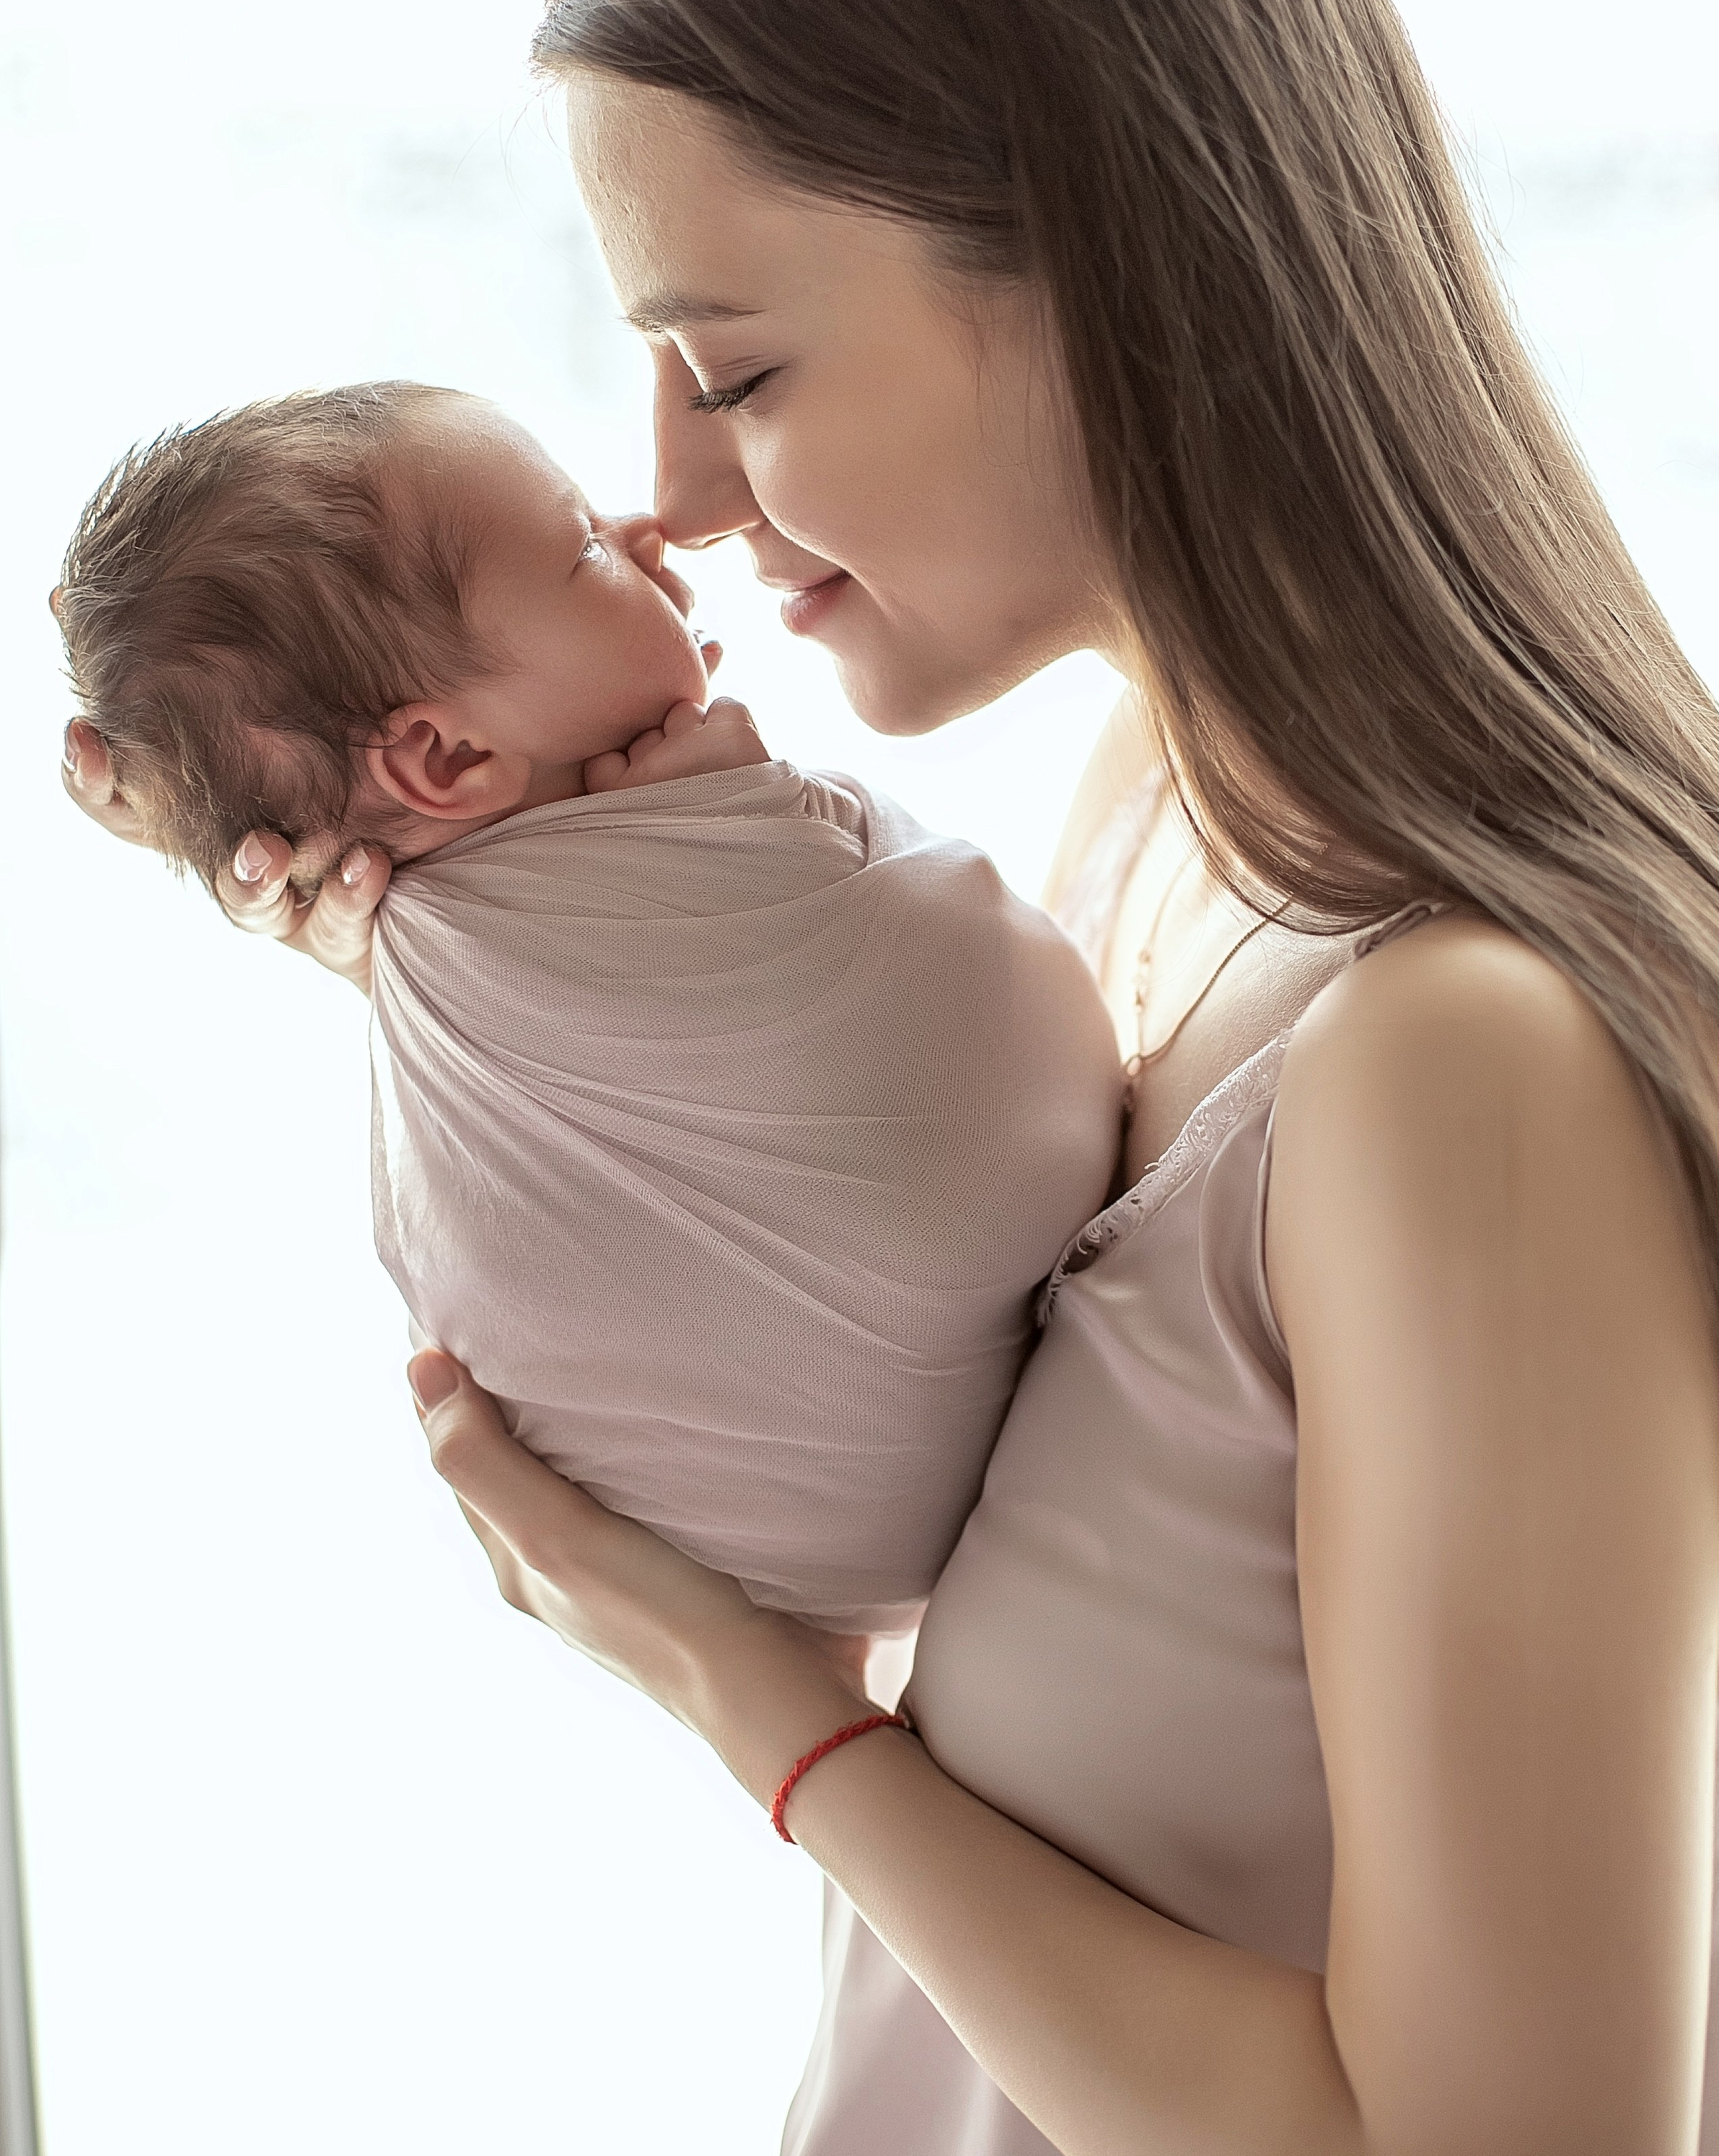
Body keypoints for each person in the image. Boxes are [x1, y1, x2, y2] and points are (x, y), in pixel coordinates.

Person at [64, 0, 1719, 2156]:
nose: (661, 495)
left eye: (733, 365)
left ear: (1111, 260)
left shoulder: (1476, 1067)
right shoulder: (1173, 852)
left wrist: (763, 1714)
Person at [54, 382, 1119, 1630]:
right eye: (581, 552)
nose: (648, 531)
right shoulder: (610, 878)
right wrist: (741, 807)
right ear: (443, 759)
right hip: (877, 1465)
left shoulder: (419, 924)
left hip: (779, 1567)